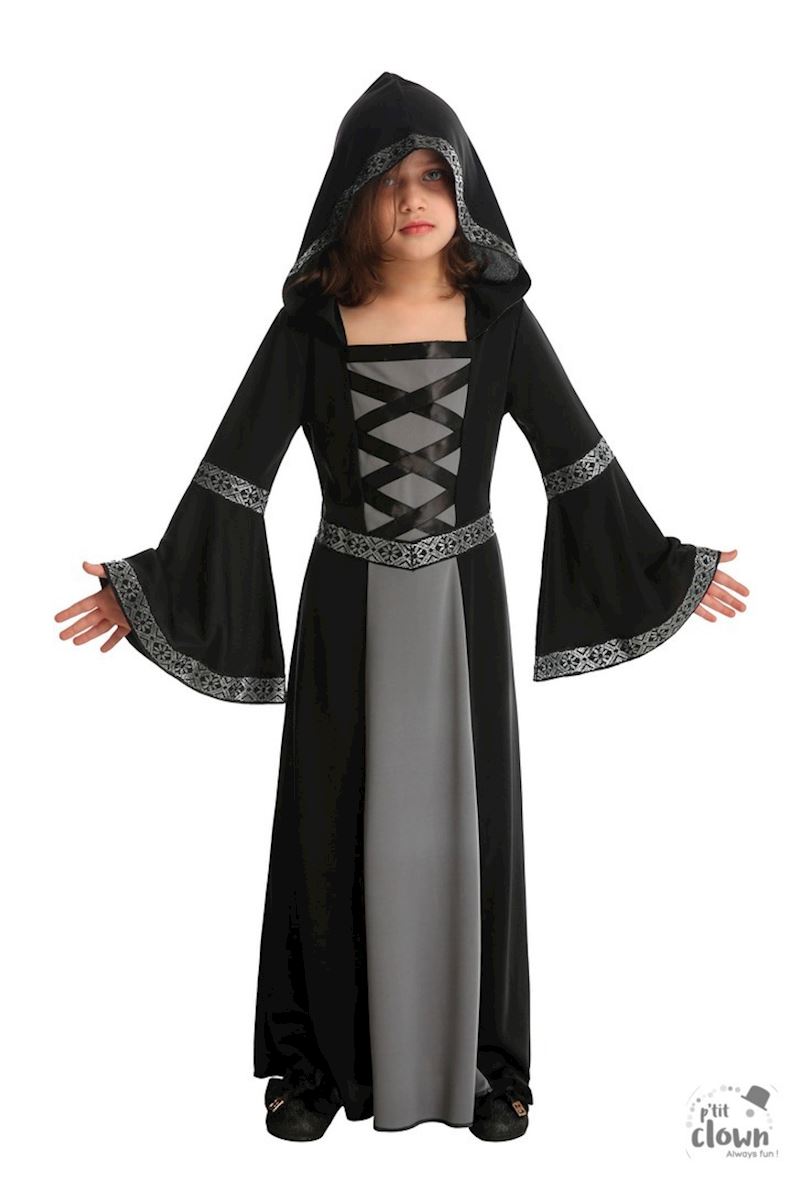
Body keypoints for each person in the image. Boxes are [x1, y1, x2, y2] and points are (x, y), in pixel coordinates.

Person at [54, 72, 749, 1142]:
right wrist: (148, 592)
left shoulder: (502, 324)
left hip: (465, 598)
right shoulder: (309, 327)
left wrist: (664, 568)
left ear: (464, 191)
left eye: (434, 175)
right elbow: (235, 474)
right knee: (326, 821)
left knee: (475, 832)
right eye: (390, 179)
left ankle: (492, 1067)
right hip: (345, 597)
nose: (415, 198)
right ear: (353, 195)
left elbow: (576, 459)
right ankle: (308, 1066)